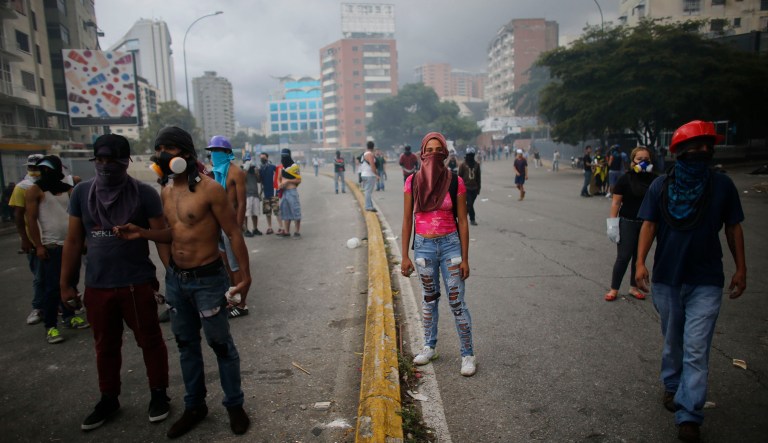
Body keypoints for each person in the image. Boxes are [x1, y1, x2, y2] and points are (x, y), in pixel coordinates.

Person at [116, 126, 251, 438]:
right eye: (159, 148)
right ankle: (195, 406)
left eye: (170, 149)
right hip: (177, 281)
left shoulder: (209, 190)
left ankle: (234, 405)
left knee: (220, 345)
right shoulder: (165, 191)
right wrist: (143, 233)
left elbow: (232, 232)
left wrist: (245, 277)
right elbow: (174, 234)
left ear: (187, 155)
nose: (163, 154)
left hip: (207, 281)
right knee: (186, 346)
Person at [635, 121, 746, 443]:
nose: (702, 152)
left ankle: (689, 414)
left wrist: (741, 268)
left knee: (696, 348)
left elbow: (734, 228)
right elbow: (649, 226)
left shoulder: (722, 186)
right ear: (680, 152)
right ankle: (672, 385)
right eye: (695, 147)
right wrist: (640, 263)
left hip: (707, 280)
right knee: (673, 341)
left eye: (706, 147)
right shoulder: (660, 187)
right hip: (668, 278)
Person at [59, 134, 171, 430]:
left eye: (112, 161)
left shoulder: (144, 194)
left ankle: (159, 393)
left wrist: (172, 275)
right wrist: (66, 283)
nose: (105, 166)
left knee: (150, 342)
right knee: (105, 346)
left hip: (136, 284)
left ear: (126, 162)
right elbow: (73, 240)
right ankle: (109, 398)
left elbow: (163, 237)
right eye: (100, 160)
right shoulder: (81, 193)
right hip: (97, 286)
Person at [400, 131, 476, 377]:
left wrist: (465, 258)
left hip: (451, 247)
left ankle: (467, 354)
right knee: (429, 300)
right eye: (428, 150)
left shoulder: (455, 181)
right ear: (422, 153)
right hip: (423, 247)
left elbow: (463, 221)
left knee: (457, 302)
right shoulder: (412, 182)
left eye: (438, 150)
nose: (433, 154)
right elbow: (407, 220)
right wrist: (404, 255)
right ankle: (429, 346)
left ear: (445, 153)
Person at [25, 155, 89, 344]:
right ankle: (51, 326)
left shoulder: (68, 190)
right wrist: (38, 245)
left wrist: (82, 240)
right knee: (52, 287)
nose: (46, 173)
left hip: (70, 244)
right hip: (51, 245)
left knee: (72, 282)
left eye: (49, 169)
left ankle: (69, 316)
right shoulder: (34, 191)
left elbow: (79, 217)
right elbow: (31, 220)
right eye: (42, 170)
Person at [604, 147, 656, 302]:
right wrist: (612, 224)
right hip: (627, 222)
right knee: (623, 257)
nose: (643, 162)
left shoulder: (655, 180)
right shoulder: (625, 179)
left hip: (646, 224)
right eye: (639, 159)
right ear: (633, 161)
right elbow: (616, 203)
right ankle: (614, 288)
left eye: (646, 159)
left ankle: (634, 287)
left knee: (639, 258)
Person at [206, 135, 248, 318]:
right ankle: (233, 300)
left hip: (231, 227)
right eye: (212, 151)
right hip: (218, 225)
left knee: (236, 265)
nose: (214, 154)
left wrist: (236, 229)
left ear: (227, 152)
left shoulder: (235, 172)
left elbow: (242, 202)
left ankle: (242, 304)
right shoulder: (215, 172)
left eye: (217, 151)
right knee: (227, 265)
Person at [278, 148, 302, 237]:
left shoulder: (294, 167)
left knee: (295, 210)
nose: (283, 157)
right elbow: (279, 178)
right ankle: (287, 231)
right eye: (282, 155)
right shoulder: (282, 167)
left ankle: (297, 231)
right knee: (285, 211)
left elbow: (298, 180)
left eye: (285, 155)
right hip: (284, 192)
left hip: (292, 191)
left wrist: (287, 181)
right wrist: (280, 184)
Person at [458, 147, 481, 226]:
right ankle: (472, 219)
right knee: (470, 204)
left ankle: (463, 215)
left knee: (470, 205)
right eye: (469, 155)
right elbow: (459, 177)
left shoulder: (477, 165)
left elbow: (478, 177)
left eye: (472, 155)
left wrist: (479, 188)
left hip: (474, 188)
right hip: (465, 188)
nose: (470, 157)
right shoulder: (463, 165)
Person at [258, 152, 279, 234]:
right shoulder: (260, 169)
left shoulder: (273, 167)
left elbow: (279, 176)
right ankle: (270, 228)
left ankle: (281, 227)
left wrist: (278, 189)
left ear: (267, 158)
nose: (262, 159)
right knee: (267, 213)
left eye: (263, 157)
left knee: (277, 211)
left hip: (273, 193)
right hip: (265, 193)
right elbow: (259, 180)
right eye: (261, 158)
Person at [243, 155, 262, 237]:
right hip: (247, 194)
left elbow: (259, 180)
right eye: (247, 161)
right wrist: (246, 168)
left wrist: (257, 172)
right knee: (246, 214)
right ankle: (246, 229)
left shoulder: (254, 170)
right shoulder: (242, 169)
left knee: (255, 213)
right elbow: (242, 178)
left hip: (255, 194)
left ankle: (255, 228)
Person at [360, 141, 379, 212]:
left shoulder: (364, 154)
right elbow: (372, 165)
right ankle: (368, 206)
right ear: (373, 147)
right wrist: (376, 174)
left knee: (368, 191)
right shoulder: (370, 154)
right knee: (368, 191)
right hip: (369, 175)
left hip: (364, 174)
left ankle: (370, 205)